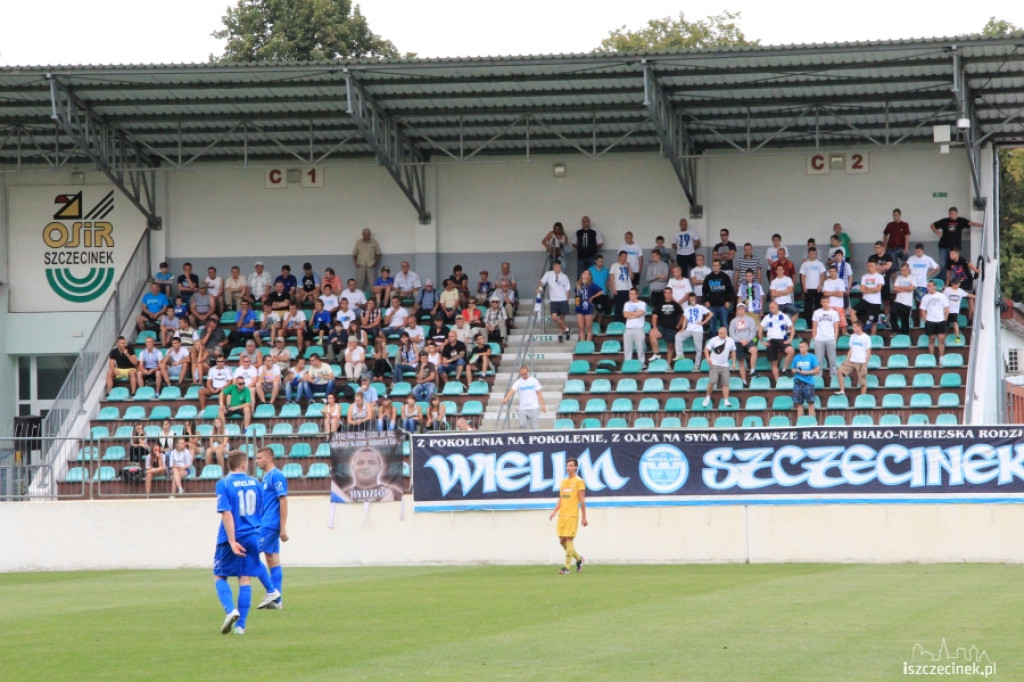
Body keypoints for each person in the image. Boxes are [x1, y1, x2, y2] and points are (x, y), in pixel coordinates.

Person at [213, 450, 263, 636]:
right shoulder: (256, 483)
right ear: (243, 465)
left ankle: (230, 609)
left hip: (231, 536)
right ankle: (240, 626)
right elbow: (261, 510)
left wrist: (232, 540)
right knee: (245, 578)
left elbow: (227, 513)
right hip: (252, 535)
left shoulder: (224, 484)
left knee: (219, 576)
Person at [254, 447, 288, 611]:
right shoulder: (266, 477)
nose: (257, 461)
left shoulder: (276, 475)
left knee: (251, 554)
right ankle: (277, 600)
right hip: (265, 523)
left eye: (259, 458)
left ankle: (271, 591)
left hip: (270, 524)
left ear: (268, 458)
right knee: (272, 558)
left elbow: (284, 501)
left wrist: (283, 527)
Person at [550, 457, 587, 575]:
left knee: (569, 539)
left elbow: (582, 500)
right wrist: (555, 511)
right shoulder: (563, 482)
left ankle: (566, 568)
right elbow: (561, 498)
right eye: (567, 466)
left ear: (576, 467)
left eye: (571, 466)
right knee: (561, 541)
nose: (569, 468)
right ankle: (579, 559)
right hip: (562, 515)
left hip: (572, 515)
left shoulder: (579, 481)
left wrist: (584, 517)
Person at [336, 447, 403, 502]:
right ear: (353, 468)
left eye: (371, 463)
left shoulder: (393, 493)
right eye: (360, 462)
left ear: (380, 468)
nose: (365, 467)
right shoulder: (343, 494)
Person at [759, 300, 795, 382]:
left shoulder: (784, 316)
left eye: (772, 308)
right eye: (770, 308)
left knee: (791, 351)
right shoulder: (767, 317)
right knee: (774, 362)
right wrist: (762, 340)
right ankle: (777, 380)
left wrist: (791, 338)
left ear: (777, 307)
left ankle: (784, 369)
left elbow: (792, 327)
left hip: (782, 339)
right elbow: (760, 328)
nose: (771, 309)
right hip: (771, 340)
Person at [834, 320, 872, 397]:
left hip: (861, 361)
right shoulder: (852, 336)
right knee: (840, 371)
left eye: (854, 327)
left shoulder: (866, 338)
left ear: (859, 327)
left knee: (862, 382)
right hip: (851, 360)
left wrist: (865, 362)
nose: (853, 328)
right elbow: (851, 349)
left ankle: (862, 398)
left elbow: (868, 351)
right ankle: (842, 390)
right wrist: (846, 359)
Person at [502, 365, 546, 429]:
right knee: (522, 425)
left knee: (534, 427)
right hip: (523, 407)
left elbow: (539, 393)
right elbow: (512, 390)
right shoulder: (518, 382)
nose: (523, 376)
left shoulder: (534, 381)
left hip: (533, 407)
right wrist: (506, 398)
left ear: (527, 372)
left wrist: (543, 405)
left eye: (525, 374)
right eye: (522, 374)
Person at [703, 325, 737, 408]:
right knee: (712, 381)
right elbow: (706, 349)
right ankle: (707, 397)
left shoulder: (731, 340)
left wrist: (733, 363)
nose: (720, 335)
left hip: (725, 365)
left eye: (722, 333)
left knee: (725, 383)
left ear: (726, 333)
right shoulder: (713, 340)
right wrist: (707, 358)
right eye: (719, 333)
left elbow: (733, 351)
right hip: (714, 364)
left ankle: (726, 400)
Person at [538, 259, 572, 341]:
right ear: (553, 267)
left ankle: (560, 334)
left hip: (563, 299)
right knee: (554, 317)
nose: (558, 269)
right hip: (554, 300)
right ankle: (567, 329)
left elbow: (567, 290)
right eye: (557, 267)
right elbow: (541, 281)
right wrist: (540, 288)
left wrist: (567, 300)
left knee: (562, 318)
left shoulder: (564, 276)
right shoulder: (548, 274)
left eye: (560, 267)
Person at [648, 288, 683, 364]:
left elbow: (682, 316)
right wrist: (654, 326)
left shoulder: (676, 305)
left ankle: (668, 365)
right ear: (664, 294)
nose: (667, 294)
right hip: (661, 327)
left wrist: (678, 326)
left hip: (671, 328)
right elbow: (654, 316)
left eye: (669, 293)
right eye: (666, 293)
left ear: (671, 294)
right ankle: (656, 354)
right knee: (652, 334)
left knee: (670, 347)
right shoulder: (660, 304)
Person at [811, 295, 841, 384]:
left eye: (826, 301)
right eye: (823, 302)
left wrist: (835, 338)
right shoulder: (816, 313)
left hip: (830, 338)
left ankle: (834, 377)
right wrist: (814, 337)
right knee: (819, 360)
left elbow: (836, 327)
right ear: (821, 303)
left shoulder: (834, 313)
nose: (825, 303)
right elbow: (814, 326)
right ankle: (818, 378)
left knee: (832, 360)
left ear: (829, 302)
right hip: (819, 339)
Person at [728, 302, 759, 386]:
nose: (741, 310)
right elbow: (731, 333)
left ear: (744, 310)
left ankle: (752, 370)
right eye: (739, 309)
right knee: (741, 362)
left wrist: (747, 340)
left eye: (742, 309)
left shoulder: (750, 319)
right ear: (737, 310)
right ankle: (744, 381)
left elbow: (753, 331)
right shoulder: (733, 321)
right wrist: (740, 340)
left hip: (748, 340)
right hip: (738, 342)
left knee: (754, 350)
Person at [944, 248, 980, 321]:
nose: (951, 256)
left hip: (967, 280)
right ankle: (951, 315)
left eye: (952, 254)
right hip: (957, 281)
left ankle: (970, 318)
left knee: (970, 299)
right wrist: (947, 284)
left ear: (957, 254)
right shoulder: (949, 262)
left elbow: (969, 264)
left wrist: (976, 270)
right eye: (950, 254)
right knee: (953, 294)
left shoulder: (962, 259)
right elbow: (948, 273)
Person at [851, 258, 885, 331]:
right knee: (852, 311)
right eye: (868, 266)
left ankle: (872, 339)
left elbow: (878, 289)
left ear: (876, 266)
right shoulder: (864, 276)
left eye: (871, 265)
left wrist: (868, 288)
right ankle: (858, 330)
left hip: (875, 303)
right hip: (865, 301)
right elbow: (862, 289)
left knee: (873, 322)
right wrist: (873, 289)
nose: (870, 267)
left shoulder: (879, 277)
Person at [678, 292, 711, 365]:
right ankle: (680, 354)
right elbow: (685, 319)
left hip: (698, 330)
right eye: (690, 299)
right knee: (678, 336)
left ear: (696, 299)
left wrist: (703, 322)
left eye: (693, 299)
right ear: (689, 300)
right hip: (689, 329)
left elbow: (710, 314)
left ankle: (697, 365)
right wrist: (683, 328)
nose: (692, 301)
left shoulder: (700, 307)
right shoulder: (687, 308)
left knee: (698, 349)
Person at [920, 279, 950, 359]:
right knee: (931, 339)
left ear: (934, 286)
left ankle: (941, 358)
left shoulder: (941, 296)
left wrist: (945, 319)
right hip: (930, 321)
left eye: (930, 286)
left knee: (941, 339)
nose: (928, 288)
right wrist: (925, 319)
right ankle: (931, 358)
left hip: (940, 320)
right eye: (927, 286)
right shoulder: (925, 297)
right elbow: (923, 309)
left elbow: (946, 308)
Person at [702, 259, 734, 333]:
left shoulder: (725, 277)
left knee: (724, 324)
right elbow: (704, 290)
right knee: (712, 325)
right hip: (712, 306)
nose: (715, 267)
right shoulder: (708, 277)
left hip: (723, 306)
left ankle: (725, 341)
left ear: (720, 266)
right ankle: (713, 342)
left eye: (717, 265)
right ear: (712, 266)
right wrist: (706, 301)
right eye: (714, 265)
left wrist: (728, 301)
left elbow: (730, 290)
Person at [791, 340, 820, 420]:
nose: (801, 348)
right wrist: (796, 370)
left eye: (802, 346)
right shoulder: (796, 358)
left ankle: (811, 421)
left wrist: (807, 372)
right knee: (799, 403)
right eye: (800, 347)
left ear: (807, 347)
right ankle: (800, 421)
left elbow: (817, 370)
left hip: (808, 382)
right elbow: (792, 369)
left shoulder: (812, 357)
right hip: (798, 382)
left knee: (810, 402)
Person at [799, 247, 827, 325]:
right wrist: (804, 286)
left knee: (818, 306)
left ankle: (818, 322)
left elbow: (822, 275)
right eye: (811, 254)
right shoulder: (805, 264)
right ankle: (809, 323)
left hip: (817, 288)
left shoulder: (819, 263)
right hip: (808, 288)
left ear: (816, 254)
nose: (812, 255)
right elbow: (803, 276)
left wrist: (820, 285)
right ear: (808, 254)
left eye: (814, 254)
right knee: (808, 306)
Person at [943, 277, 974, 344]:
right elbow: (942, 298)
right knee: (945, 325)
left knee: (955, 323)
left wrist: (975, 296)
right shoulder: (947, 290)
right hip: (947, 310)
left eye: (958, 284)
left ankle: (957, 337)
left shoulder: (960, 291)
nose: (957, 285)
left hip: (955, 311)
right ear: (952, 283)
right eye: (955, 284)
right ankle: (943, 338)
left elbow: (968, 295)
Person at [622, 288, 647, 364]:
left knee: (640, 348)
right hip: (628, 329)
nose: (630, 296)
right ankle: (628, 364)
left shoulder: (642, 304)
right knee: (627, 349)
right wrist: (636, 314)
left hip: (639, 329)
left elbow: (641, 313)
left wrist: (631, 314)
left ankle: (642, 365)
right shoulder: (627, 304)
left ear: (637, 295)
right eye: (629, 294)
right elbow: (625, 315)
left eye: (632, 294)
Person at [821, 264, 848, 334]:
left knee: (843, 324)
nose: (832, 273)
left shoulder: (841, 281)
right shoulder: (826, 282)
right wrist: (835, 292)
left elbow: (841, 294)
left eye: (834, 271)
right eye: (831, 271)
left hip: (839, 306)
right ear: (829, 272)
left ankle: (844, 339)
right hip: (830, 306)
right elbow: (825, 294)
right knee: (830, 324)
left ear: (836, 272)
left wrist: (830, 293)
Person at [352, 228, 381, 293]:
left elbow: (378, 254)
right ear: (362, 234)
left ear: (370, 235)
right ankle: (359, 299)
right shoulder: (358, 242)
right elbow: (354, 253)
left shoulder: (374, 242)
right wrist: (355, 262)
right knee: (359, 284)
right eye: (365, 235)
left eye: (368, 235)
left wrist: (375, 262)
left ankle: (373, 299)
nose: (366, 236)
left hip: (370, 265)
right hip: (360, 265)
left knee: (372, 283)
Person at [891, 262, 916, 334]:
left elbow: (911, 288)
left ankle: (905, 334)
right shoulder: (899, 278)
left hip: (907, 303)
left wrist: (900, 288)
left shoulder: (912, 278)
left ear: (908, 270)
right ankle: (895, 330)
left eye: (904, 270)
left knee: (905, 320)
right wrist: (906, 288)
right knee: (892, 313)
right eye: (901, 270)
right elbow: (894, 289)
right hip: (898, 300)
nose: (903, 272)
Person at [608, 250, 632, 323]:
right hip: (619, 289)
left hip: (628, 289)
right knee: (619, 308)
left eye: (626, 257)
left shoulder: (627, 265)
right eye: (624, 256)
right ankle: (617, 323)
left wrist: (629, 267)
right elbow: (611, 278)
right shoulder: (614, 265)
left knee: (627, 308)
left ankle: (627, 323)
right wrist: (613, 289)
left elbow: (632, 276)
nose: (625, 258)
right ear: (620, 257)